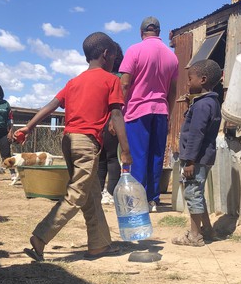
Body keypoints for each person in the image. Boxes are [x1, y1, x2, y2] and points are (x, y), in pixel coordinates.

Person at [15, 32, 132, 262]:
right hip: (86, 143)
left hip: (68, 141)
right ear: (106, 54)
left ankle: (99, 245)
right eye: (115, 57)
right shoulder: (111, 80)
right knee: (77, 194)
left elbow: (51, 106)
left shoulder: (73, 82)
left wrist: (28, 128)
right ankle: (40, 237)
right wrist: (126, 150)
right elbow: (117, 115)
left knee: (91, 194)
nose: (115, 63)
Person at [119, 16, 178, 212]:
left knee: (137, 155)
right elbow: (173, 90)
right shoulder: (171, 56)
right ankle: (153, 199)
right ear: (159, 32)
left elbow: (125, 83)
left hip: (137, 111)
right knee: (155, 155)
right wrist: (168, 113)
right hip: (161, 111)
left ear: (141, 32)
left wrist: (118, 110)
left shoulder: (134, 50)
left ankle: (136, 200)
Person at [172, 59, 223, 247]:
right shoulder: (210, 103)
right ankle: (207, 230)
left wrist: (190, 160)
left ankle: (194, 235)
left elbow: (196, 134)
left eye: (190, 78)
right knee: (198, 193)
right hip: (204, 157)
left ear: (202, 80)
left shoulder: (202, 105)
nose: (187, 82)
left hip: (196, 158)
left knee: (192, 193)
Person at [97, 44, 123, 205]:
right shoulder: (119, 77)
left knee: (108, 157)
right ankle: (105, 191)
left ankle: (107, 191)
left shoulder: (115, 77)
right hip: (109, 119)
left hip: (108, 119)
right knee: (109, 157)